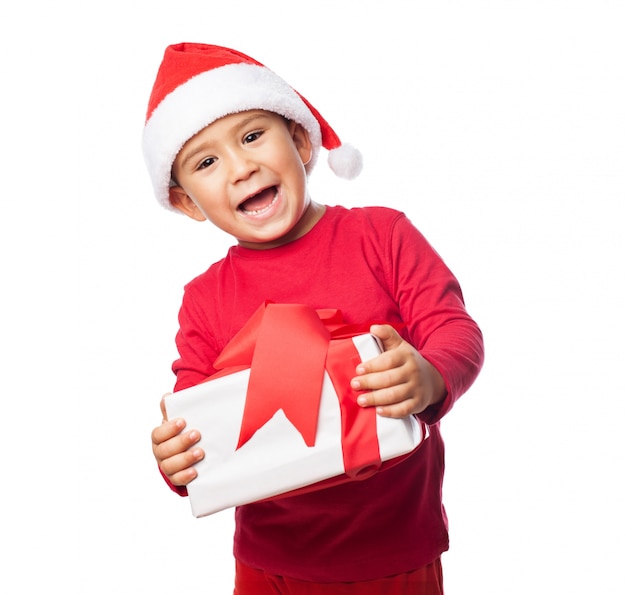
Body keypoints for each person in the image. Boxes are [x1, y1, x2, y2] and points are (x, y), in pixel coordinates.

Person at [145, 43, 484, 595]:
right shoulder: (204, 298)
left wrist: (431, 375)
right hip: (269, 565)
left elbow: (454, 328)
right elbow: (196, 414)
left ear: (300, 141)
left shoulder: (382, 235)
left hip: (395, 553)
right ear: (187, 203)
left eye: (253, 136)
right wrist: (178, 457)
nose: (242, 167)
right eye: (207, 162)